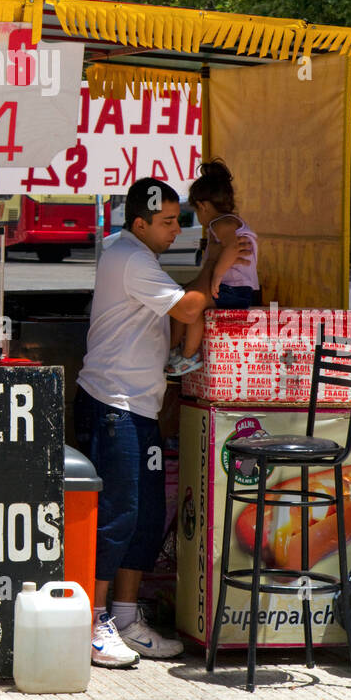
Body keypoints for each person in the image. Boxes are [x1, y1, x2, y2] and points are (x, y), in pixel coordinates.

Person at [73, 175, 253, 668]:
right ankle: (92, 621)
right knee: (117, 515)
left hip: (140, 405)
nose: (178, 230)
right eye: (169, 222)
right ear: (140, 223)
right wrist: (218, 265)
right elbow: (192, 305)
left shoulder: (138, 255)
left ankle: (127, 616)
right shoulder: (129, 258)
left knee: (147, 515)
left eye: (180, 220)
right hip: (113, 405)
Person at [166, 159, 259, 378]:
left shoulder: (221, 223)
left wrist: (216, 276)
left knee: (188, 306)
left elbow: (232, 247)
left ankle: (188, 356)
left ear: (203, 206)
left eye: (196, 211)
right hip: (238, 289)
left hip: (232, 289)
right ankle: (184, 352)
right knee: (190, 304)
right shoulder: (229, 222)